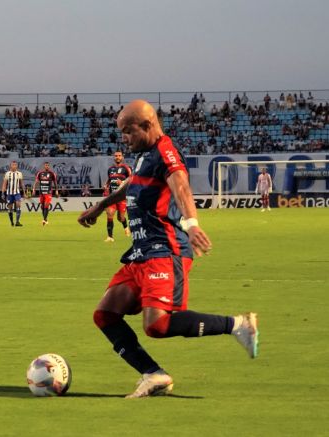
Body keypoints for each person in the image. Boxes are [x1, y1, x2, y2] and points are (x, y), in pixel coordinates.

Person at [77, 100, 258, 398]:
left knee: (158, 325)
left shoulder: (165, 152)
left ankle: (239, 325)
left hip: (164, 250)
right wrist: (101, 205)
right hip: (140, 253)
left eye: (128, 131)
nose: (124, 138)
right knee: (105, 314)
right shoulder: (145, 154)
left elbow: (181, 186)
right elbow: (132, 184)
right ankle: (154, 375)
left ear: (147, 126)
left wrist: (191, 224)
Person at [103, 150, 132, 242]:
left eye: (119, 155)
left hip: (122, 196)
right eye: (116, 156)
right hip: (112, 196)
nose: (117, 157)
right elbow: (109, 179)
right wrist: (106, 185)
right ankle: (110, 237)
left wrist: (122, 182)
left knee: (121, 218)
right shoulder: (110, 169)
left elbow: (132, 180)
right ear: (114, 157)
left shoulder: (126, 168)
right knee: (109, 214)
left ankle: (126, 227)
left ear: (122, 157)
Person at [32, 161, 59, 226]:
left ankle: (44, 220)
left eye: (48, 165)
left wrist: (56, 190)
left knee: (46, 205)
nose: (47, 166)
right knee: (42, 206)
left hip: (48, 192)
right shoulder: (40, 173)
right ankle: (45, 219)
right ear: (44, 166)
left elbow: (55, 182)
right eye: (46, 165)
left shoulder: (52, 173)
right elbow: (36, 182)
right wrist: (34, 189)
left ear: (49, 166)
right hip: (41, 192)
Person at [1, 161, 25, 227]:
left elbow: (22, 184)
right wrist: (3, 193)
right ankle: (12, 222)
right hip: (9, 193)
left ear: (17, 166)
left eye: (15, 165)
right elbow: (4, 184)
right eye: (13, 165)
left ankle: (17, 222)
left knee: (18, 204)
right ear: (10, 166)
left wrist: (24, 192)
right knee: (10, 208)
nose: (14, 166)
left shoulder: (19, 173)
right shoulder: (7, 174)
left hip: (17, 192)